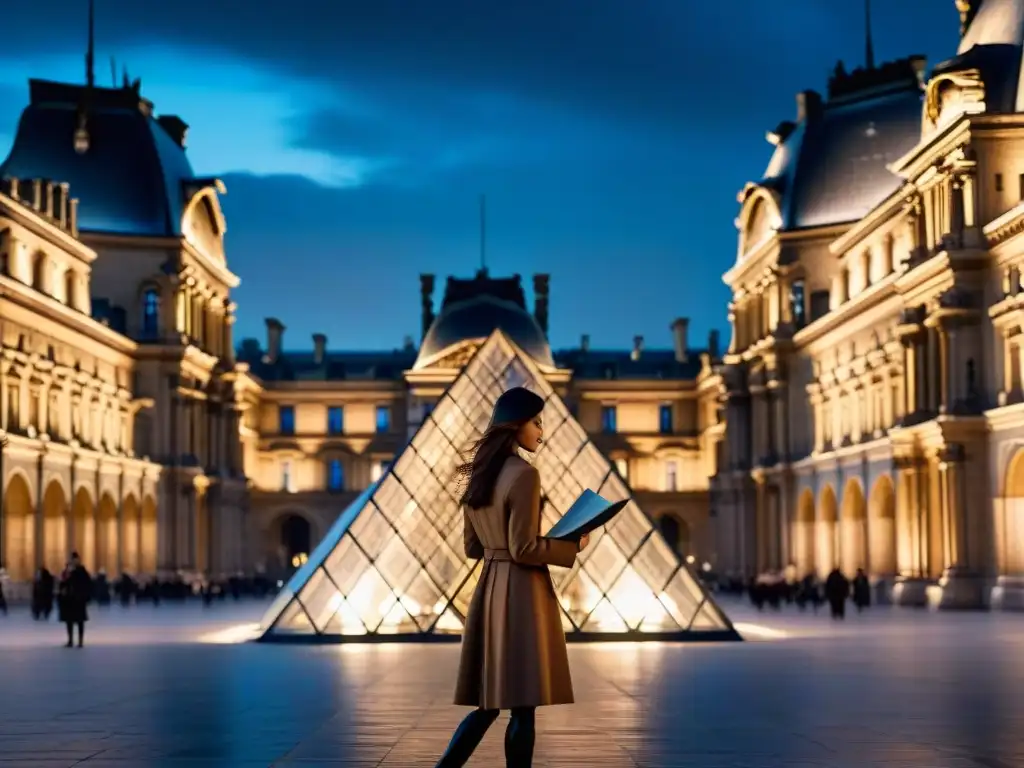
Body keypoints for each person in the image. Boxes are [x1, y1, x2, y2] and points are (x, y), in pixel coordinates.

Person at [434, 387, 592, 768]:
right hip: (522, 595)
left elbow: (474, 547)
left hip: (489, 590)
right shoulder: (524, 474)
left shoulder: (478, 474)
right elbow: (523, 549)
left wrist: (503, 546)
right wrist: (572, 545)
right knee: (523, 706)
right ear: (516, 425)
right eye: (536, 422)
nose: (542, 431)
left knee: (488, 705)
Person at [58, 552, 92, 647]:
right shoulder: (67, 571)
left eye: (75, 559)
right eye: (73, 559)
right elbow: (63, 582)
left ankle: (80, 641)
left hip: (79, 599)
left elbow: (87, 583)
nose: (74, 561)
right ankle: (70, 640)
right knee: (69, 621)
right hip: (69, 600)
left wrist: (85, 596)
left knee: (80, 621)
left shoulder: (81, 570)